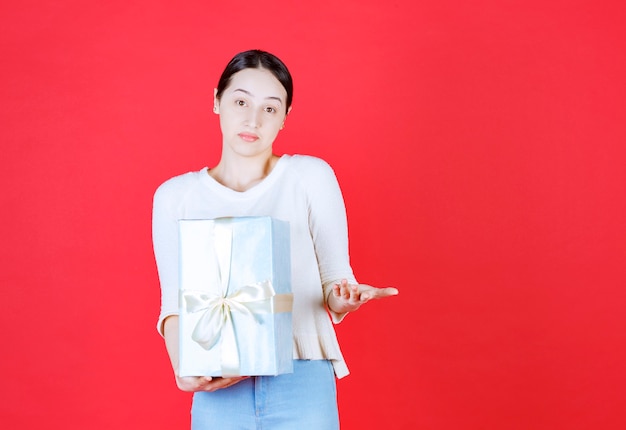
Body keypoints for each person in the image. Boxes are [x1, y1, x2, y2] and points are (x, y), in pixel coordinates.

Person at [152, 49, 399, 429]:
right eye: (240, 102)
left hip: (302, 379)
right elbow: (174, 306)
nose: (253, 119)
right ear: (216, 100)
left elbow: (335, 283)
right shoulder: (175, 197)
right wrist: (182, 369)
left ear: (285, 117)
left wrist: (346, 298)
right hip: (220, 385)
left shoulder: (310, 177)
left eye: (270, 108)